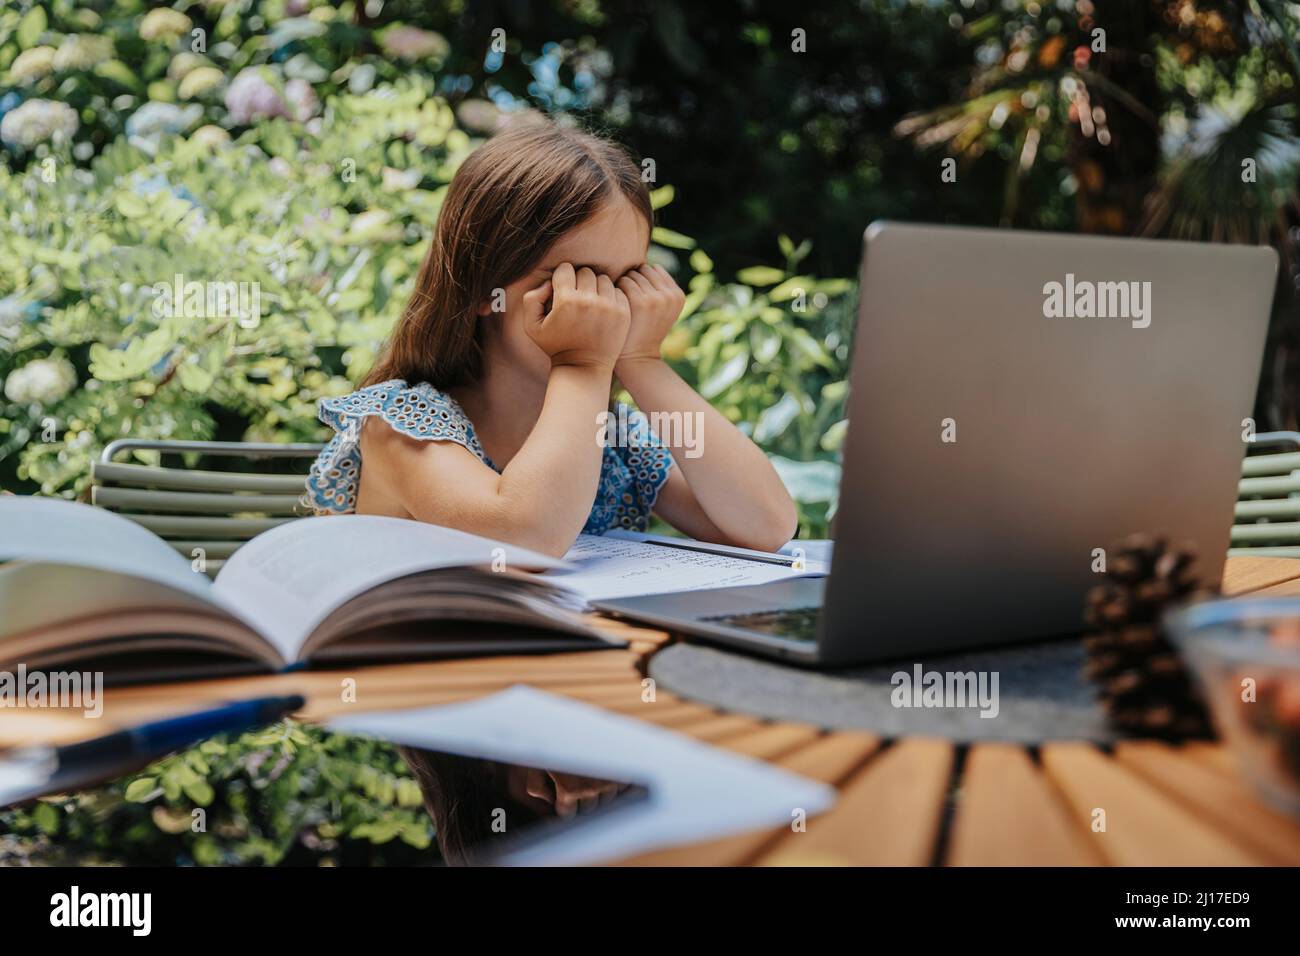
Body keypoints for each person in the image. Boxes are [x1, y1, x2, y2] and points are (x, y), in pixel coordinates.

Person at [307, 120, 796, 556]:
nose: (604, 306)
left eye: (627, 281)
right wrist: (581, 363)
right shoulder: (398, 427)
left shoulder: (615, 437)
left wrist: (644, 360)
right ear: (483, 288)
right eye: (577, 280)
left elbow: (766, 526)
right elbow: (526, 537)